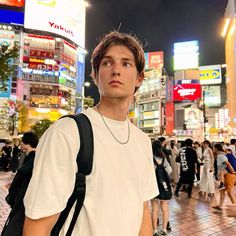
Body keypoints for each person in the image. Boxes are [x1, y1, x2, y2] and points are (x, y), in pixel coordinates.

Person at [23, 31, 158, 236]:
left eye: (126, 63)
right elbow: (37, 227)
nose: (116, 71)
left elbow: (142, 211)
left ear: (140, 78)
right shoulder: (67, 133)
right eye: (107, 63)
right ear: (95, 75)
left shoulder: (142, 141)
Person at [5, 132, 38, 209]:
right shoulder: (36, 156)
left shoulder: (32, 158)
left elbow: (20, 178)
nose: (21, 144)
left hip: (23, 200)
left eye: (22, 142)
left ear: (27, 143)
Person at [151, 140, 172, 236]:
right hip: (164, 186)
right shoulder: (164, 158)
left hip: (154, 186)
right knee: (165, 209)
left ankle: (155, 231)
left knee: (155, 209)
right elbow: (170, 170)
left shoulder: (150, 158)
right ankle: (164, 230)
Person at [212, 143, 236, 211]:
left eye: (214, 148)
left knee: (229, 192)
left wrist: (233, 171)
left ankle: (235, 207)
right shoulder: (221, 155)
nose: (213, 149)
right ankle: (220, 206)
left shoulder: (221, 156)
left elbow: (228, 164)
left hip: (228, 175)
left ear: (216, 149)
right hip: (225, 176)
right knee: (222, 191)